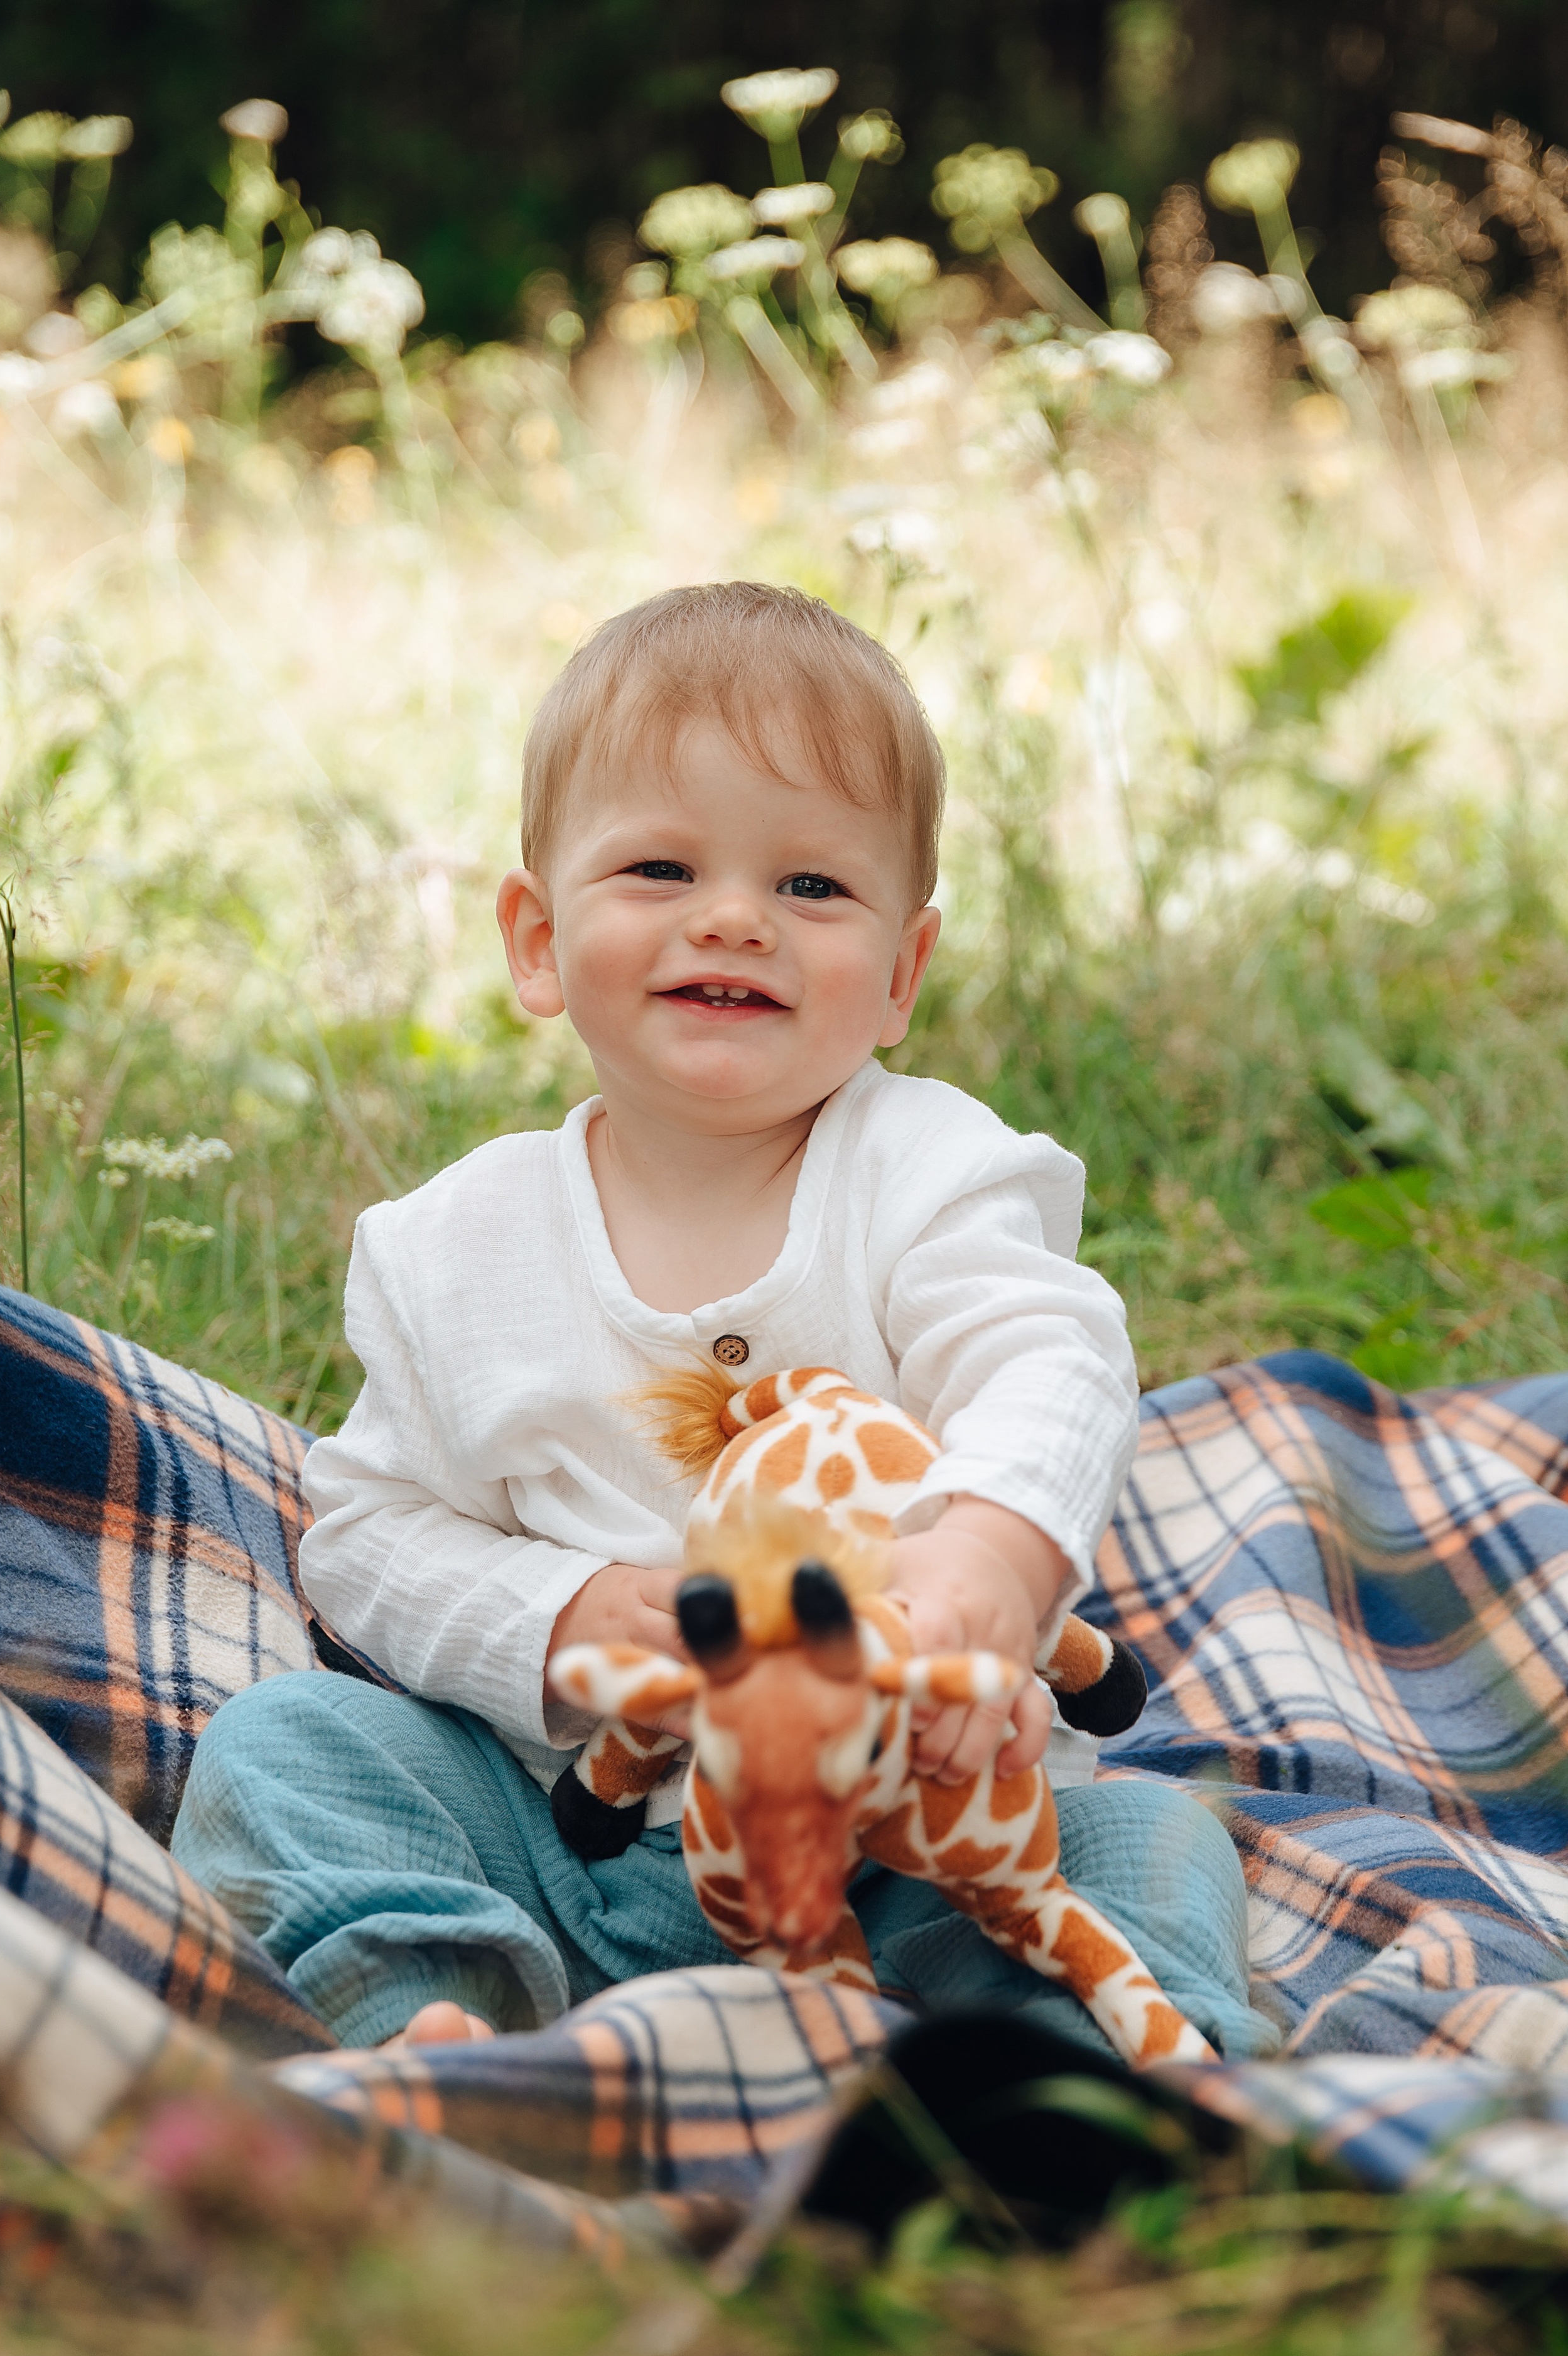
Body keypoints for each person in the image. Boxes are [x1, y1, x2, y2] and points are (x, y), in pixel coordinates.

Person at [171, 583, 1273, 2062]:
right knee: (281, 1745)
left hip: (899, 1853)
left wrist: (987, 1571)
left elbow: (1048, 1364)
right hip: (558, 1834)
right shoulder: (449, 1249)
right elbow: (365, 1532)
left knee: (1149, 1843)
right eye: (658, 865)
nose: (736, 916)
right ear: (537, 938)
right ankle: (440, 2023)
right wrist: (552, 1621)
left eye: (812, 887)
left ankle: (1053, 2098)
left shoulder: (931, 1175)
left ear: (899, 972)